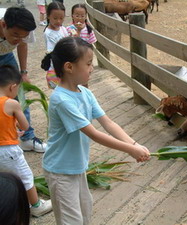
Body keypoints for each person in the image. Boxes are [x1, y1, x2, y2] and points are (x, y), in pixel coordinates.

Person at [41, 37, 150, 225]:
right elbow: (94, 133)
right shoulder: (62, 101)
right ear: (69, 67)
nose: (92, 68)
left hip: (77, 167)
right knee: (70, 220)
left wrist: (134, 144)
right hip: (60, 171)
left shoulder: (85, 93)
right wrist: (130, 150)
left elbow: (108, 123)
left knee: (85, 212)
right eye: (89, 63)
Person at [0, 65, 52, 218]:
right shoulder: (11, 104)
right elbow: (25, 126)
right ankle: (36, 206)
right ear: (12, 87)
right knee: (26, 177)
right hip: (8, 150)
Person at [0, 7, 47, 152]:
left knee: (18, 93)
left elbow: (22, 45)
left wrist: (23, 72)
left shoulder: (24, 28)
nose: (18, 39)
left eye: (22, 36)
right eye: (15, 35)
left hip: (6, 55)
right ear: (3, 25)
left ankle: (27, 138)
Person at [43, 1, 68, 89]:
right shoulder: (48, 33)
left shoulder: (63, 28)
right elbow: (53, 51)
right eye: (55, 18)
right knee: (60, 90)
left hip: (65, 63)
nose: (58, 21)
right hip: (57, 66)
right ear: (48, 16)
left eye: (61, 18)